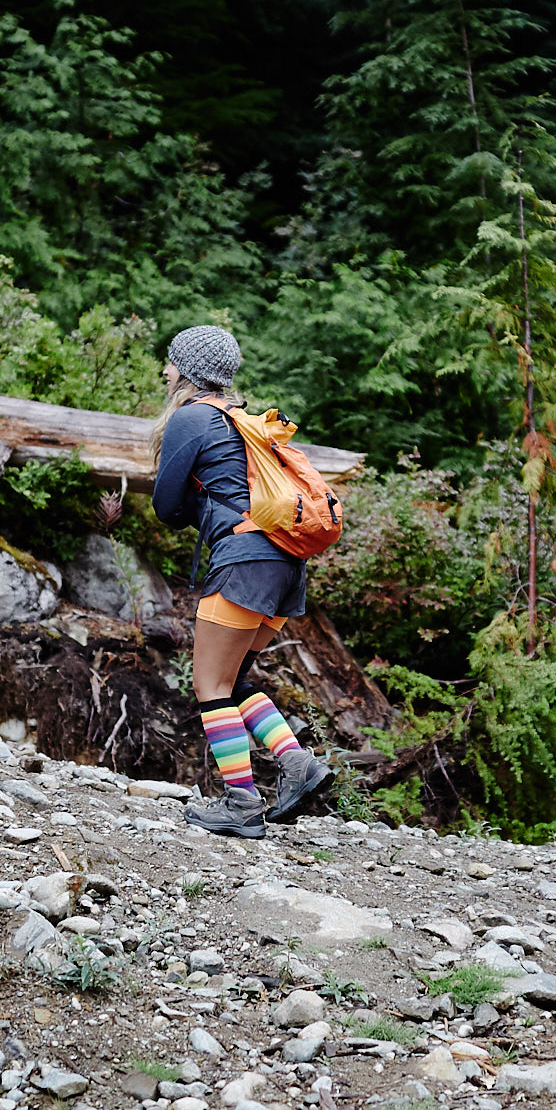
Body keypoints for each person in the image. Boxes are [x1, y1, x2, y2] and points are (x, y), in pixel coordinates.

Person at [152, 325, 335, 837]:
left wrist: (202, 510)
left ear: (188, 371)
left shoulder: (191, 418)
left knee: (209, 684)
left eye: (170, 362)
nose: (165, 371)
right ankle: (298, 766)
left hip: (244, 563)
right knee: (233, 680)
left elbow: (165, 506)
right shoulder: (243, 421)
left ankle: (241, 801)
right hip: (285, 565)